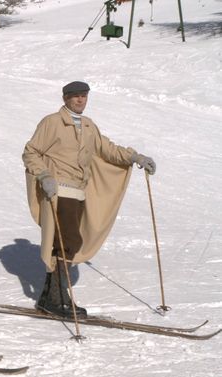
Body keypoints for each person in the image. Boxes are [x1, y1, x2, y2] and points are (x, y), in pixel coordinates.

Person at [22, 81, 156, 318]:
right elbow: (31, 151)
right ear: (66, 98)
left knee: (64, 242)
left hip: (78, 191)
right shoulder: (52, 122)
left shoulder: (88, 125)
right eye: (75, 97)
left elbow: (107, 149)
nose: (80, 100)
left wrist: (135, 156)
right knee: (69, 240)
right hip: (59, 189)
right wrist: (44, 175)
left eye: (84, 96)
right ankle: (58, 298)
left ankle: (48, 297)